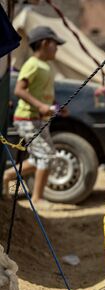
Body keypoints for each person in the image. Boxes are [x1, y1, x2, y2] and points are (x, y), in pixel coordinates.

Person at [3, 26, 66, 205]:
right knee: (46, 156)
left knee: (44, 156)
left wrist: (57, 107)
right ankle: (37, 198)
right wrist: (40, 106)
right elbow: (19, 90)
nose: (57, 49)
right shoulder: (32, 64)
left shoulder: (47, 66)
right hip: (27, 119)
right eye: (55, 44)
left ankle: (8, 175)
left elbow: (45, 93)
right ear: (45, 43)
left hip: (39, 120)